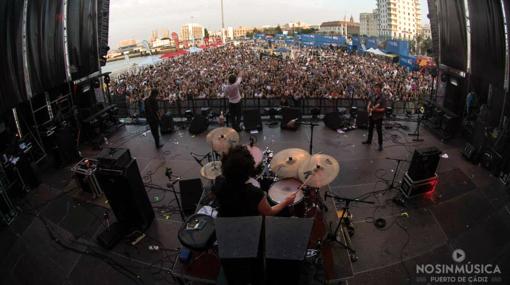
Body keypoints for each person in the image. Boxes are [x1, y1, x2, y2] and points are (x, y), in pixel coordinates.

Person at [212, 145, 296, 217]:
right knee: (284, 212)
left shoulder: (218, 182)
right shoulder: (254, 193)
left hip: (226, 222)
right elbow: (269, 212)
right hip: (250, 226)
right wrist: (286, 201)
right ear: (249, 171)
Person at [363, 83, 386, 151]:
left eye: (377, 88)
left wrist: (375, 109)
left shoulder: (382, 97)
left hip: (378, 117)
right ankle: (369, 141)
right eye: (375, 87)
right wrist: (368, 107)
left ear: (380, 88)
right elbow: (370, 102)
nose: (376, 89)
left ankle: (380, 145)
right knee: (370, 128)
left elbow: (383, 109)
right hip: (371, 115)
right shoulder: (373, 95)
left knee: (379, 131)